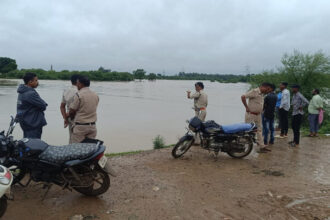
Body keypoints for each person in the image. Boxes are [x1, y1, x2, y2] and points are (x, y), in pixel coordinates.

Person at [241, 82, 271, 153]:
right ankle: (242, 146)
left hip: (258, 115)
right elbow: (243, 97)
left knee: (259, 130)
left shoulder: (262, 94)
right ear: (263, 87)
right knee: (247, 130)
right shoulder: (254, 91)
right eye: (267, 89)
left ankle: (262, 146)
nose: (268, 90)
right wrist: (246, 107)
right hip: (251, 114)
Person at [68, 76, 99, 143]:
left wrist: (71, 118)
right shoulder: (95, 95)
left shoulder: (79, 95)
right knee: (89, 149)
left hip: (80, 126)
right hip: (92, 126)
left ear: (81, 84)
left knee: (77, 149)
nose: (77, 85)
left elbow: (72, 111)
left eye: (77, 83)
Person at [16, 72, 48, 138]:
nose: (37, 82)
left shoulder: (22, 91)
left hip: (25, 122)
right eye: (36, 80)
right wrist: (43, 104)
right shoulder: (30, 93)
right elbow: (43, 106)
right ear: (30, 82)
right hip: (33, 123)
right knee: (34, 144)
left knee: (27, 142)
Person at [60, 74, 79, 143]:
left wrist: (65, 118)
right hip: (78, 118)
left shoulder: (66, 91)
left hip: (69, 118)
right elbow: (77, 108)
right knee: (79, 139)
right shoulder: (79, 92)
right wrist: (68, 115)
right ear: (78, 81)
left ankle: (70, 152)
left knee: (71, 137)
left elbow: (62, 106)